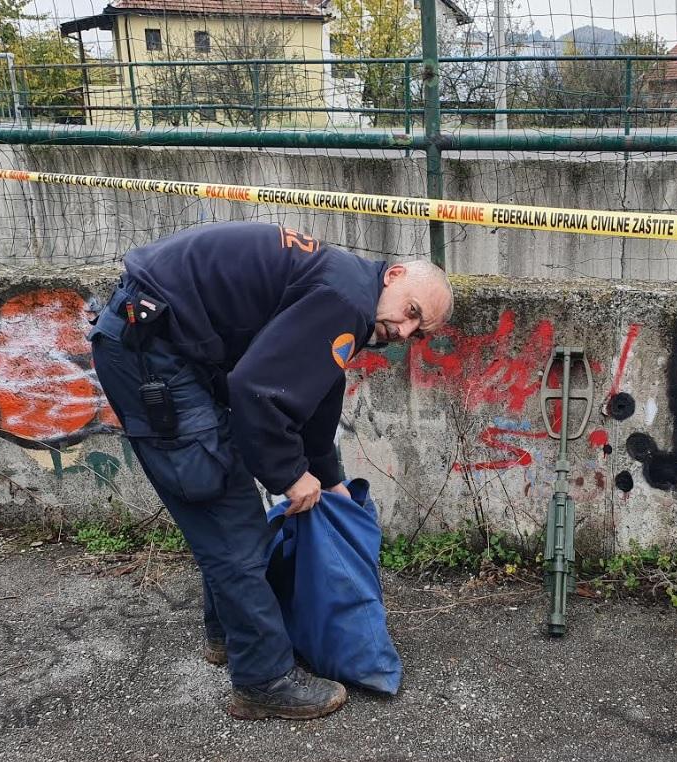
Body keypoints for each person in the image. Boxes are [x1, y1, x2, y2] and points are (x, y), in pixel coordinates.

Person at [88, 221, 453, 720]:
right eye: (412, 313)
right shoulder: (345, 297)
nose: (405, 332)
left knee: (226, 509)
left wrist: (328, 477)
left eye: (419, 332)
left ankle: (229, 637)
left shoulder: (350, 291)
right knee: (228, 513)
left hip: (173, 345)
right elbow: (257, 389)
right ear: (392, 275)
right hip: (152, 351)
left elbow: (315, 388)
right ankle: (262, 680)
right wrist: (287, 475)